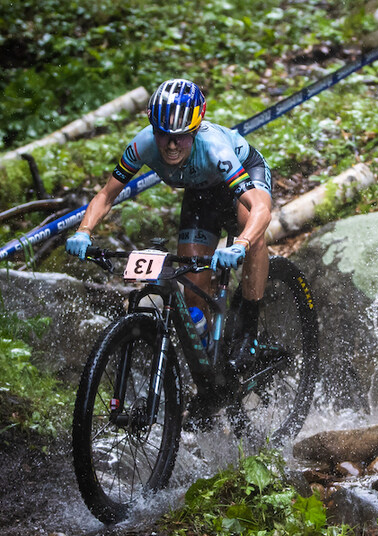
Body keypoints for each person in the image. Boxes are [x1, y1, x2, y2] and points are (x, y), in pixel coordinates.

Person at [66, 78, 272, 371]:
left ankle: (249, 329)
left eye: (181, 136)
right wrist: (83, 232)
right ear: (154, 130)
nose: (172, 145)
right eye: (164, 135)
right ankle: (211, 370)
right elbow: (106, 195)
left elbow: (260, 209)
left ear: (196, 130)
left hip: (244, 176)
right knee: (193, 295)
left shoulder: (215, 149)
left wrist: (242, 243)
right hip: (201, 193)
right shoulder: (142, 145)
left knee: (249, 226)